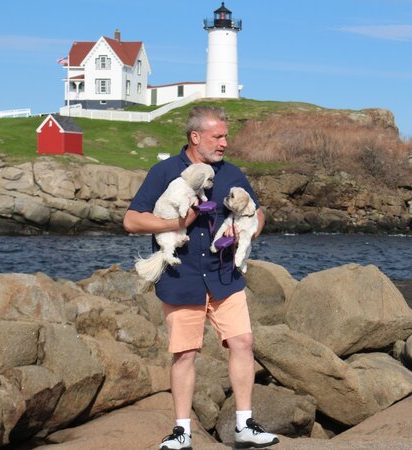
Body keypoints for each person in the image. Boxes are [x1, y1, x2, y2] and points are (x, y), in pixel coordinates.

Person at [123, 106, 279, 449]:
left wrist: (251, 232)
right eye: (217, 136)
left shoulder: (232, 173)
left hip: (226, 275)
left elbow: (258, 210)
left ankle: (244, 425)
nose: (224, 142)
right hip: (181, 277)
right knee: (185, 354)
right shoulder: (164, 172)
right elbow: (132, 221)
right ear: (195, 137)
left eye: (225, 136)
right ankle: (182, 432)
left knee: (243, 343)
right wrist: (177, 224)